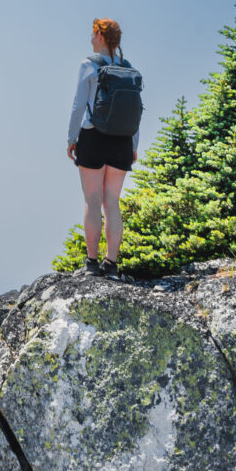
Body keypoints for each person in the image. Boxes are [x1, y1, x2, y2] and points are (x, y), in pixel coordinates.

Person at [66, 18, 139, 277]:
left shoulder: (89, 65)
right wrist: (133, 144)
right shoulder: (128, 69)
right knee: (112, 202)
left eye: (92, 33)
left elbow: (78, 105)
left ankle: (92, 263)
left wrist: (71, 138)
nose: (90, 37)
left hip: (93, 136)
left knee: (92, 200)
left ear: (100, 35)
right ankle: (112, 264)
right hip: (122, 140)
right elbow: (134, 111)